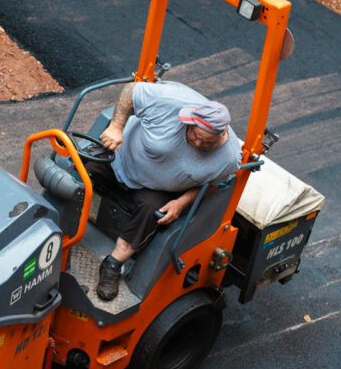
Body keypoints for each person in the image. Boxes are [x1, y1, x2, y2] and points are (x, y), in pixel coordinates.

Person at [84, 80, 242, 301]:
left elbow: (213, 184)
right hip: (118, 158)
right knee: (76, 169)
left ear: (221, 136)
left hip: (153, 188)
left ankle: (112, 265)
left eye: (206, 143)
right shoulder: (169, 102)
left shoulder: (229, 159)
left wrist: (181, 203)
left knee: (153, 213)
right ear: (190, 120)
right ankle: (60, 224)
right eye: (194, 135)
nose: (197, 144)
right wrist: (116, 127)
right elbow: (131, 90)